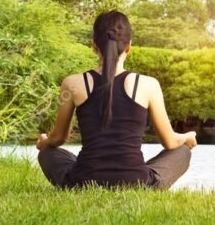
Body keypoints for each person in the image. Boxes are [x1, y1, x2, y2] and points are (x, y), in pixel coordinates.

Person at [36, 10, 197, 190]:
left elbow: (57, 138)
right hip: (138, 183)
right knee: (182, 151)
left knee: (47, 153)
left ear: (94, 45)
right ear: (129, 46)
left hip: (82, 181)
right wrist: (188, 138)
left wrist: (44, 142)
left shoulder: (72, 83)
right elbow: (170, 142)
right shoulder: (149, 85)